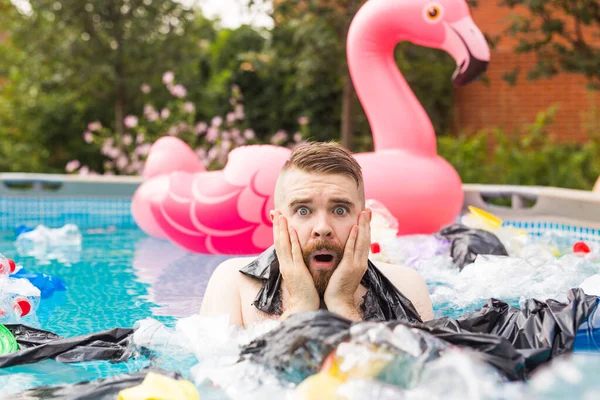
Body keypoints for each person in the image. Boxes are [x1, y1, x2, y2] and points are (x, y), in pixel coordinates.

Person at [200, 142, 434, 327]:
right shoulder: (233, 284)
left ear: (364, 222)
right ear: (277, 223)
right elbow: (229, 379)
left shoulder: (406, 287)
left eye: (339, 210)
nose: (323, 227)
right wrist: (300, 305)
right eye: (303, 210)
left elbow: (415, 379)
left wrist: (342, 304)